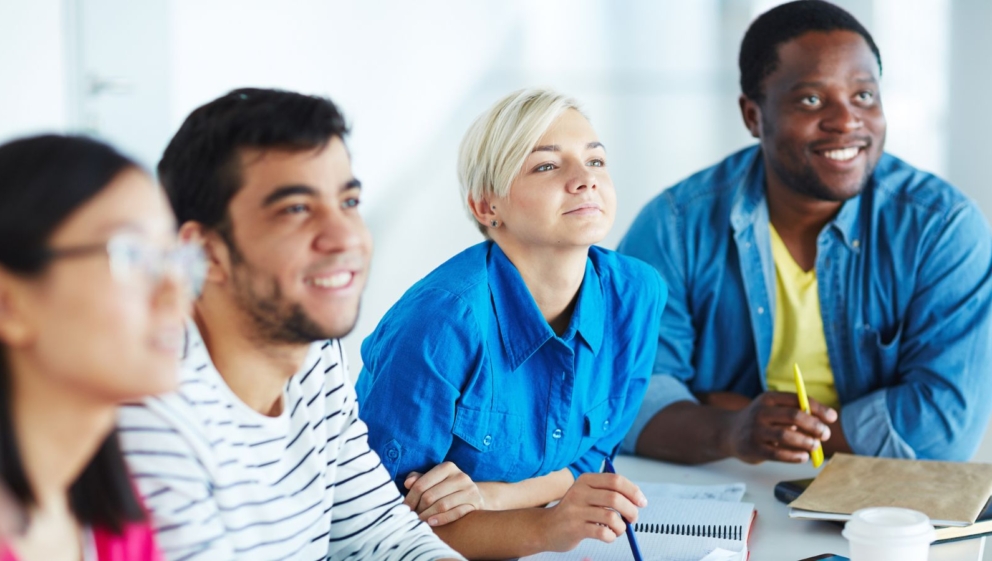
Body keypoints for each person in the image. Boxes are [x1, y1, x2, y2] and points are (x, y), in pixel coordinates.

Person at [619, 0, 992, 465]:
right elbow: (627, 397)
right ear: (753, 116)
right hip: (725, 488)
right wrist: (733, 431)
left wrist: (769, 429)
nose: (847, 121)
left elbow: (943, 426)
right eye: (812, 99)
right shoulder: (676, 224)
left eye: (864, 96)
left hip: (885, 497)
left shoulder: (942, 228)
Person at [116, 89, 463, 561]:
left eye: (349, 200)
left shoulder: (310, 348)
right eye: (296, 209)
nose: (345, 237)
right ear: (205, 252)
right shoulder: (154, 416)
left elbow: (382, 533)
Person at [356, 88, 667, 558]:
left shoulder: (637, 293)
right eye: (546, 166)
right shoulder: (440, 322)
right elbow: (380, 526)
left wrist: (491, 498)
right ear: (486, 207)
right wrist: (544, 529)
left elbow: (593, 454)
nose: (585, 180)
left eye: (596, 161)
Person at [0, 134, 201, 560]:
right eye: (131, 255)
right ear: (9, 305)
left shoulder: (116, 520)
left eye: (173, 258)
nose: (174, 290)